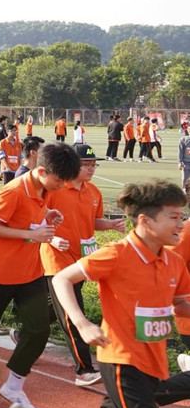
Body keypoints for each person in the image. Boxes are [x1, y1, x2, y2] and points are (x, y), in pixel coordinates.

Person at [9, 180, 190, 408]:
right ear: (146, 222)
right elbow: (62, 279)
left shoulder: (171, 262)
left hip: (153, 364)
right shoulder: (118, 254)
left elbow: (179, 305)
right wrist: (81, 323)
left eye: (182, 216)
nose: (181, 224)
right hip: (121, 362)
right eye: (174, 217)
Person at [0, 141, 81, 407]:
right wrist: (31, 234)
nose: (61, 186)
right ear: (41, 171)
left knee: (38, 330)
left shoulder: (44, 190)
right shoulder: (14, 190)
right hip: (2, 271)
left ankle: (14, 385)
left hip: (30, 272)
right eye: (59, 181)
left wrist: (47, 215)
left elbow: (30, 218)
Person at [42, 142, 122, 386]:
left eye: (93, 164)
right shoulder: (53, 189)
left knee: (56, 309)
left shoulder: (93, 192)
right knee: (73, 313)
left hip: (82, 258)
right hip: (56, 258)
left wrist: (109, 225)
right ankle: (84, 370)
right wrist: (52, 237)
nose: (90, 169)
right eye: (85, 164)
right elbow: (35, 220)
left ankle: (28, 331)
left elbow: (94, 221)